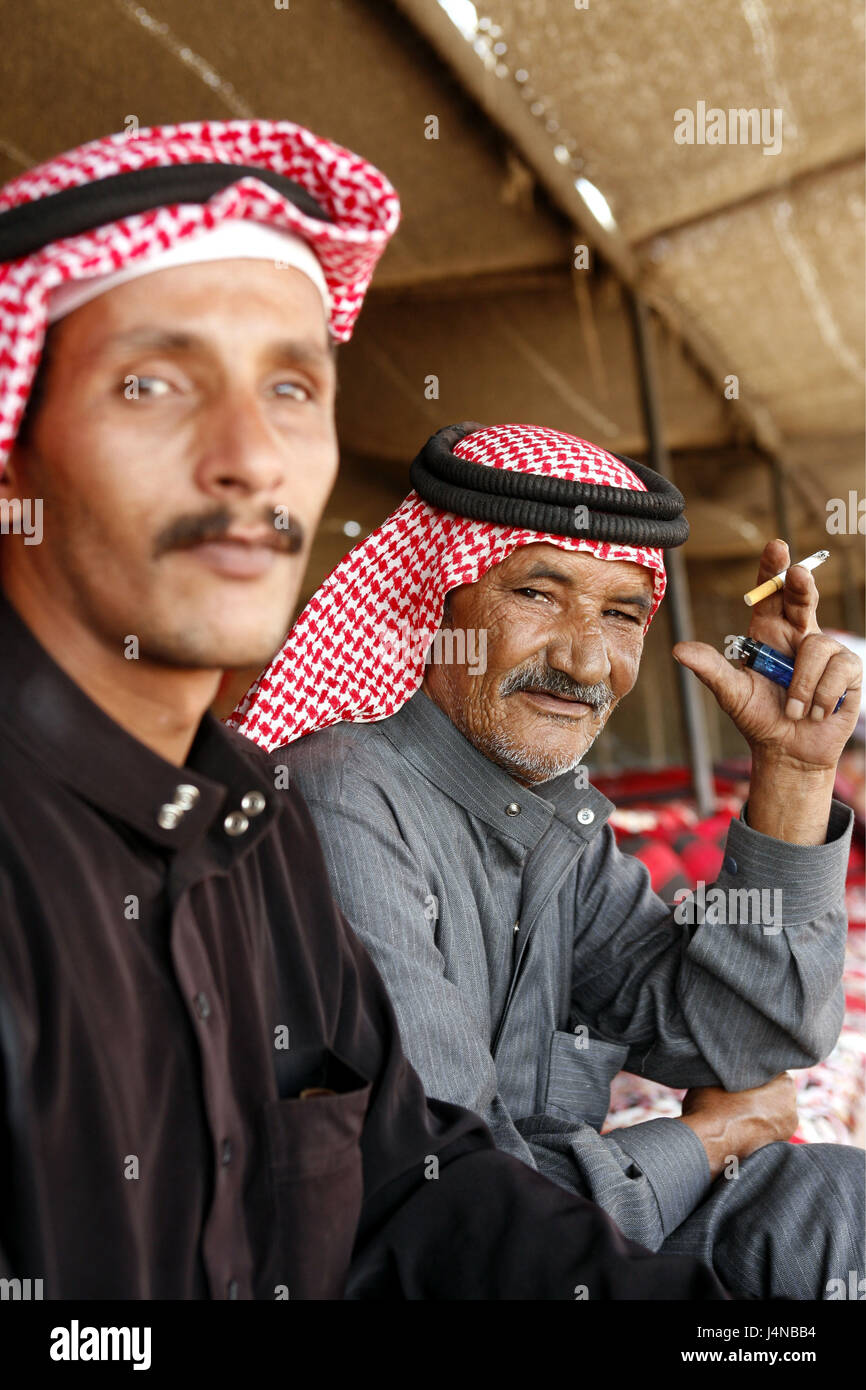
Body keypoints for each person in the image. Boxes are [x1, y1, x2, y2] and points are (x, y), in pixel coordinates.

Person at [0, 123, 731, 1301]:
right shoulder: (322, 796)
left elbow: (411, 1193)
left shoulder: (257, 834)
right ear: (11, 458)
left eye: (291, 386)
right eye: (152, 382)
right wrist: (704, 1143)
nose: (249, 455)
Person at [234, 420, 866, 1299]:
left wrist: (794, 774)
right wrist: (710, 1140)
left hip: (547, 1240)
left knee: (836, 1210)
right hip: (410, 1273)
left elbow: (746, 1037)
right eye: (538, 594)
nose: (583, 659)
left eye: (618, 614)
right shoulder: (340, 799)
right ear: (436, 599)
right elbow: (457, 1212)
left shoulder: (554, 825)